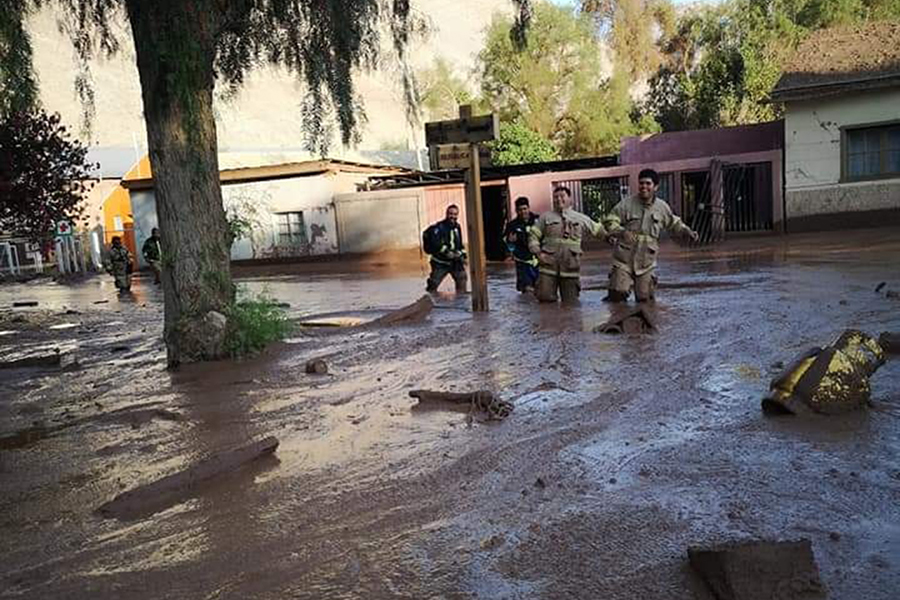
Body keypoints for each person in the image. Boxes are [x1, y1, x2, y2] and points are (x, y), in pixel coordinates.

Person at [603, 168, 699, 303]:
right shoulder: (626, 204)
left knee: (644, 298)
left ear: (656, 187)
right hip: (624, 258)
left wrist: (686, 231)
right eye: (641, 183)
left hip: (646, 262)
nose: (644, 187)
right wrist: (621, 231)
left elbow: (673, 222)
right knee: (618, 291)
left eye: (648, 183)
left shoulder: (662, 207)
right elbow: (610, 220)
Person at [529, 186, 606, 303]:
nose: (558, 199)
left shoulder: (581, 218)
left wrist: (613, 237)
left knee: (571, 303)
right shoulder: (545, 217)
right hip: (548, 266)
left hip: (570, 267)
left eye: (562, 196)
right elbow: (533, 235)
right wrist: (538, 253)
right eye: (555, 197)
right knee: (545, 299)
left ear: (570, 199)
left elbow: (598, 231)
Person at [423, 205, 468, 293]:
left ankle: (461, 304)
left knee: (462, 283)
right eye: (450, 214)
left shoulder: (457, 227)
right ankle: (431, 303)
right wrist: (447, 252)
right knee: (432, 286)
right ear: (446, 214)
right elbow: (436, 243)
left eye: (455, 214)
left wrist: (463, 255)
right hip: (440, 263)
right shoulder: (439, 227)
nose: (453, 216)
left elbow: (459, 244)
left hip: (455, 262)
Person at [503, 197, 539, 294]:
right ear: (516, 211)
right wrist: (510, 242)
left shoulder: (538, 221)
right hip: (522, 263)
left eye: (524, 209)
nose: (523, 212)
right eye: (520, 210)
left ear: (528, 208)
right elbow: (506, 243)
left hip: (539, 262)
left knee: (542, 290)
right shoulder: (512, 225)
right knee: (527, 291)